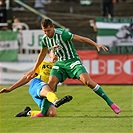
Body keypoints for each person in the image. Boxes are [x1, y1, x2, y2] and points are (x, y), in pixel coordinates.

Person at [25, 19, 121, 114]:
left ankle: (111, 103)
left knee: (88, 82)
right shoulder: (45, 39)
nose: (46, 33)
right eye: (44, 31)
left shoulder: (62, 34)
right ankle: (42, 112)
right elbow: (42, 54)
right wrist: (34, 69)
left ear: (53, 27)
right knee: (50, 85)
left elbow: (81, 39)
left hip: (73, 61)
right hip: (60, 64)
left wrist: (95, 44)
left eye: (48, 31)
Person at [0, 50, 73, 118]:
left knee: (51, 113)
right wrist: (10, 89)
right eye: (54, 52)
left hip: (49, 93)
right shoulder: (43, 64)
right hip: (37, 84)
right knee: (47, 90)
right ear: (49, 55)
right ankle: (56, 101)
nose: (56, 54)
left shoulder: (62, 68)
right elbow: (27, 78)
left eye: (58, 53)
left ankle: (28, 112)